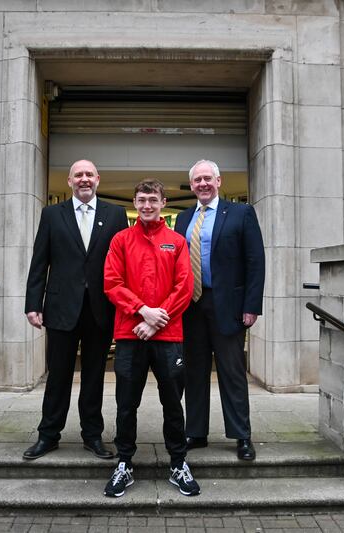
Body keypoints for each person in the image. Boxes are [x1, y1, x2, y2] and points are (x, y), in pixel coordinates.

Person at [23, 159, 128, 461]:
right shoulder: (52, 215)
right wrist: (33, 303)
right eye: (78, 175)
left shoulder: (116, 215)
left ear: (98, 179)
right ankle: (48, 435)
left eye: (89, 175)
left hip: (101, 309)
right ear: (69, 181)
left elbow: (123, 263)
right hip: (59, 308)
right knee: (58, 375)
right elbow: (39, 262)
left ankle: (92, 435)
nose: (84, 179)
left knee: (95, 376)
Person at [102, 179, 200, 498]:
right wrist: (143, 311)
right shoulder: (120, 240)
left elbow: (184, 288)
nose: (147, 204)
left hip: (169, 336)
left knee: (172, 403)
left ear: (162, 202)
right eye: (141, 199)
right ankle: (125, 463)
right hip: (130, 334)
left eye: (152, 199)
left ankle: (178, 463)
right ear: (134, 202)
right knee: (126, 404)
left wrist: (156, 321)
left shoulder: (176, 242)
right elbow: (112, 283)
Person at [174, 159, 265, 461]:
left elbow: (255, 261)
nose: (202, 184)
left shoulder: (241, 213)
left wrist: (251, 306)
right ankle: (196, 432)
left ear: (218, 181)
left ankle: (241, 436)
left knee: (232, 372)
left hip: (228, 305)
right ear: (192, 185)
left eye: (207, 179)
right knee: (194, 371)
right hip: (192, 306)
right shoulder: (183, 218)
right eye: (197, 180)